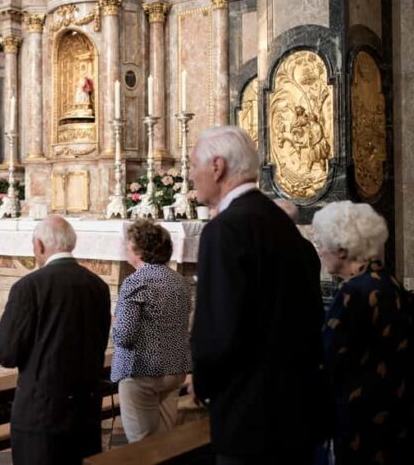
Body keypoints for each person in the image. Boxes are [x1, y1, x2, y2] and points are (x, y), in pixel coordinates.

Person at [189, 126, 328, 464]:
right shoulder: (283, 226)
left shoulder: (224, 231)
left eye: (194, 166)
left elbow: (218, 327)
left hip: (248, 416)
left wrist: (201, 381)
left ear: (217, 167)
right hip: (296, 408)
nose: (192, 176)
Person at [0, 215, 111, 465]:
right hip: (86, 411)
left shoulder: (29, 287)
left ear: (39, 246)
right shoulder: (98, 285)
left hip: (42, 415)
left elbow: (6, 352)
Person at [312, 201, 413, 464]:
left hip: (355, 421)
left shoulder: (352, 293)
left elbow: (328, 361)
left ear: (342, 249)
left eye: (322, 244)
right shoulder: (388, 282)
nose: (320, 251)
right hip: (391, 414)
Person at [111, 220, 191, 442]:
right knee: (164, 444)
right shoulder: (179, 281)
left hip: (142, 372)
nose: (126, 249)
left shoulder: (136, 282)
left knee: (143, 446)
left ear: (139, 250)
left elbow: (124, 336)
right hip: (174, 369)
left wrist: (114, 323)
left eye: (129, 244)